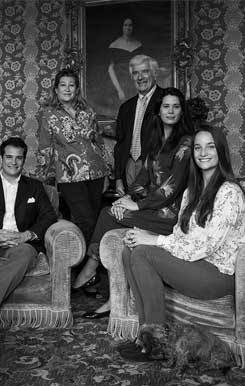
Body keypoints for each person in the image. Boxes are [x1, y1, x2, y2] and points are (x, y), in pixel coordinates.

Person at [117, 127, 245, 361]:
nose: (203, 152)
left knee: (144, 253)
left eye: (210, 146)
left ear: (221, 151)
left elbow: (205, 246)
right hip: (191, 265)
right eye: (198, 147)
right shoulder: (191, 190)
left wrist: (154, 240)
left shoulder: (229, 192)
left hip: (215, 274)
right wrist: (145, 234)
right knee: (130, 250)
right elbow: (180, 235)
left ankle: (157, 343)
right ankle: (144, 337)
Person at [73, 88, 196, 319]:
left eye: (176, 106)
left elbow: (172, 187)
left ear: (182, 111)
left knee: (109, 214)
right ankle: (106, 286)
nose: (170, 111)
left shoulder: (186, 144)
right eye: (166, 106)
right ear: (158, 111)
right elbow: (143, 177)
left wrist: (138, 206)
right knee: (111, 211)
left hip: (170, 214)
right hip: (152, 206)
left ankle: (92, 270)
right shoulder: (157, 139)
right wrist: (129, 197)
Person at [0, 137, 58, 346]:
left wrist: (26, 235)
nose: (13, 162)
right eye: (9, 157)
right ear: (1, 157)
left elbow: (48, 216)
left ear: (24, 160)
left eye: (19, 158)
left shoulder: (34, 187)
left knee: (26, 253)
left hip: (20, 242)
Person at [36, 69, 109, 248]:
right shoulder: (48, 115)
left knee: (95, 218)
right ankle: (81, 265)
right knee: (86, 220)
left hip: (96, 173)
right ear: (56, 89)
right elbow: (45, 148)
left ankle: (84, 264)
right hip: (70, 175)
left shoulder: (88, 111)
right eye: (63, 85)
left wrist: (107, 173)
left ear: (77, 89)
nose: (67, 89)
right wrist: (48, 179)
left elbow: (99, 143)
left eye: (71, 85)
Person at [114, 55, 164, 196]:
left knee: (154, 210)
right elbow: (120, 144)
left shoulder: (166, 100)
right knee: (133, 212)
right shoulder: (126, 107)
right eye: (136, 73)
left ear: (154, 73)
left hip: (155, 166)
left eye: (145, 71)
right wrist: (118, 178)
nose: (140, 77)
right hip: (129, 166)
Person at [107, 18, 143, 102]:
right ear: (122, 27)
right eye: (125, 25)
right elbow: (110, 69)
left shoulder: (139, 45)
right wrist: (119, 90)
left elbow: (141, 67)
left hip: (135, 84)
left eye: (130, 25)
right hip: (119, 84)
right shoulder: (114, 45)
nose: (128, 28)